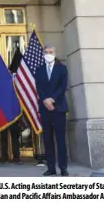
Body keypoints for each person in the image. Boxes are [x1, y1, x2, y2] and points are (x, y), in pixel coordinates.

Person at [35, 46, 69, 176]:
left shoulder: (62, 69)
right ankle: (51, 168)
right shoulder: (39, 70)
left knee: (60, 139)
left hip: (58, 107)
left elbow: (63, 86)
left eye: (51, 52)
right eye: (46, 52)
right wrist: (45, 100)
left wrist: (52, 99)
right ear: (43, 54)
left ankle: (63, 167)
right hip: (45, 108)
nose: (48, 54)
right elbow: (38, 87)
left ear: (55, 54)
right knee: (47, 139)